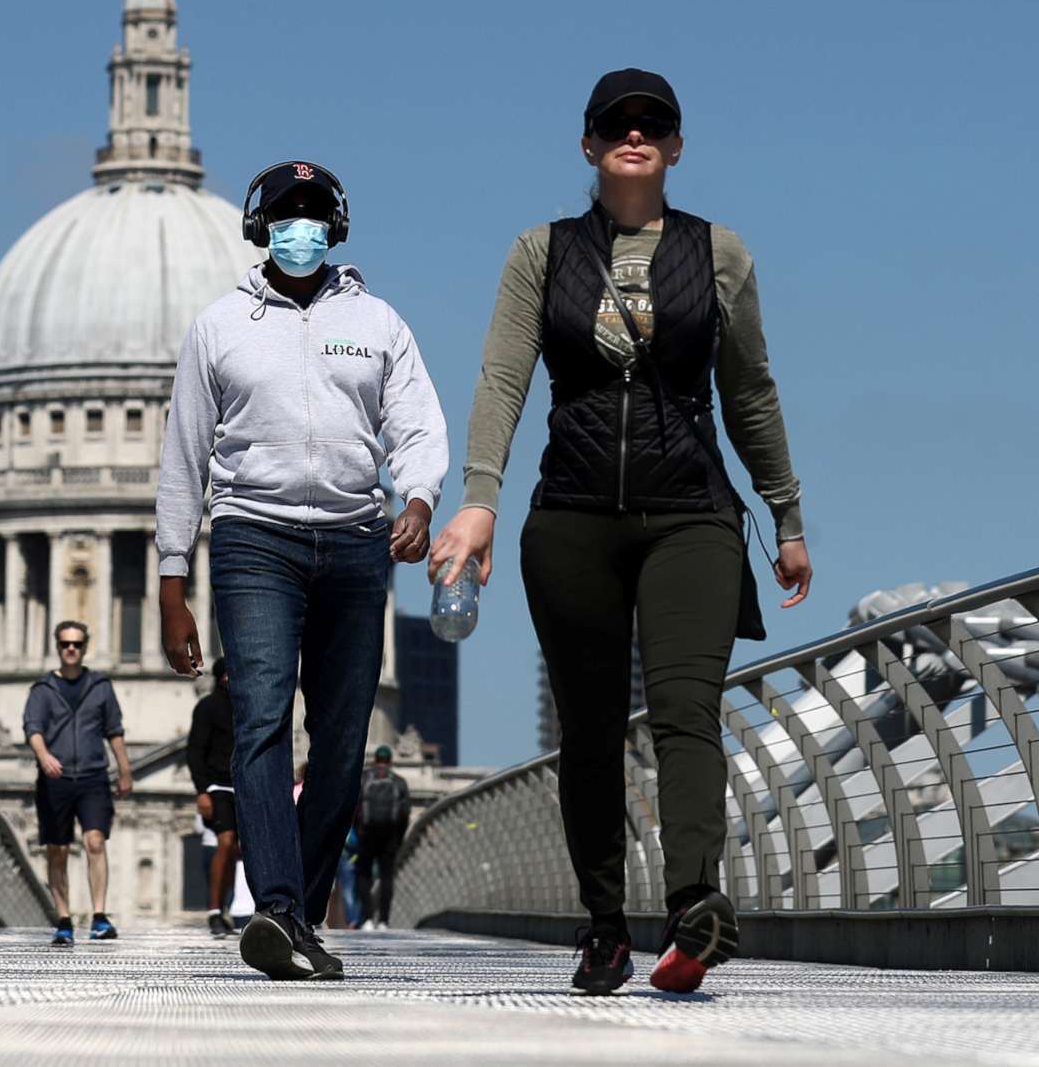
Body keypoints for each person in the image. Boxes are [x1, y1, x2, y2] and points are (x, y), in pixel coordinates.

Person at [429, 69, 810, 997]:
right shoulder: (541, 252)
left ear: (677, 146)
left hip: (693, 513)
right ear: (590, 144)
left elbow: (749, 389)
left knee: (687, 709)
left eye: (654, 124)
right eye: (616, 124)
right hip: (571, 518)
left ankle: (693, 907)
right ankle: (603, 926)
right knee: (592, 730)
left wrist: (786, 513)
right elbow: (502, 378)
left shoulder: (720, 253)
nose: (634, 134)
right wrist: (479, 499)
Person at [157, 160, 449, 983]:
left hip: (356, 539)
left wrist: (419, 499)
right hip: (253, 536)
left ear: (339, 224)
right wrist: (172, 576)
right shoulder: (219, 325)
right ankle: (278, 904)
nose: (301, 223)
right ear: (260, 225)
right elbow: (183, 456)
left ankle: (298, 914)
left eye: (315, 211)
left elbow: (418, 422)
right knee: (258, 718)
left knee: (344, 742)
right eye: (287, 211)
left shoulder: (379, 321)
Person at [23, 620, 133, 945]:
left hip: (92, 775)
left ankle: (99, 915)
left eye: (77, 644)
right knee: (57, 849)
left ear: (85, 648)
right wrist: (43, 756)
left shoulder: (101, 687)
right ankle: (64, 919)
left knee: (95, 841)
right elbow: (32, 728)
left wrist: (124, 770)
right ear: (57, 648)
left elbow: (114, 730)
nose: (71, 649)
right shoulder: (42, 690)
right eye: (65, 644)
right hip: (54, 779)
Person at [185, 654, 240, 938]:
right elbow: (194, 750)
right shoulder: (208, 708)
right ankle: (214, 911)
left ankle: (227, 907)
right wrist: (201, 791)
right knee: (226, 841)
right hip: (218, 787)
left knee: (236, 852)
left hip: (244, 788)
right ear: (222, 678)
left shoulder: (249, 708)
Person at [353, 744, 412, 930]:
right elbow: (405, 813)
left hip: (367, 834)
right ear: (390, 762)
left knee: (363, 874)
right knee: (386, 877)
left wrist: (358, 830)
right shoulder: (399, 782)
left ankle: (368, 918)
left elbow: (354, 808)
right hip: (390, 836)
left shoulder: (364, 778)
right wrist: (399, 837)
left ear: (375, 760)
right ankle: (384, 921)